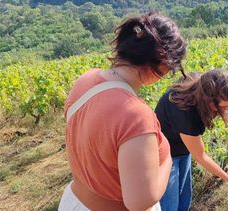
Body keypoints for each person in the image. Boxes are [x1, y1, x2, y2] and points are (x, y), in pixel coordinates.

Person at [59, 12, 187, 211]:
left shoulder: (86, 80)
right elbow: (141, 201)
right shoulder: (135, 114)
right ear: (162, 63)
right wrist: (167, 158)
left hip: (74, 201)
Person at [155, 70, 228, 211]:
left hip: (183, 148)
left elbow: (224, 109)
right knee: (169, 207)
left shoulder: (200, 83)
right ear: (208, 101)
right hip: (163, 155)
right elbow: (201, 156)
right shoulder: (186, 113)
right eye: (223, 106)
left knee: (183, 203)